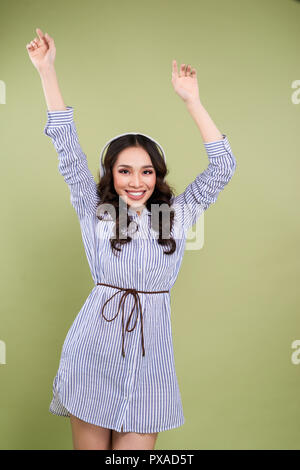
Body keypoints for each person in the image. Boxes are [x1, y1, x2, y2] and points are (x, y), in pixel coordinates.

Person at [26, 28, 237, 451]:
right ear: (110, 175)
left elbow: (223, 167)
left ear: (157, 174)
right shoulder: (96, 209)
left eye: (146, 170)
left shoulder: (175, 214)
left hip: (150, 360)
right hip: (92, 353)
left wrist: (193, 101)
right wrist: (47, 72)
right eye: (124, 170)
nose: (136, 181)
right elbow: (67, 148)